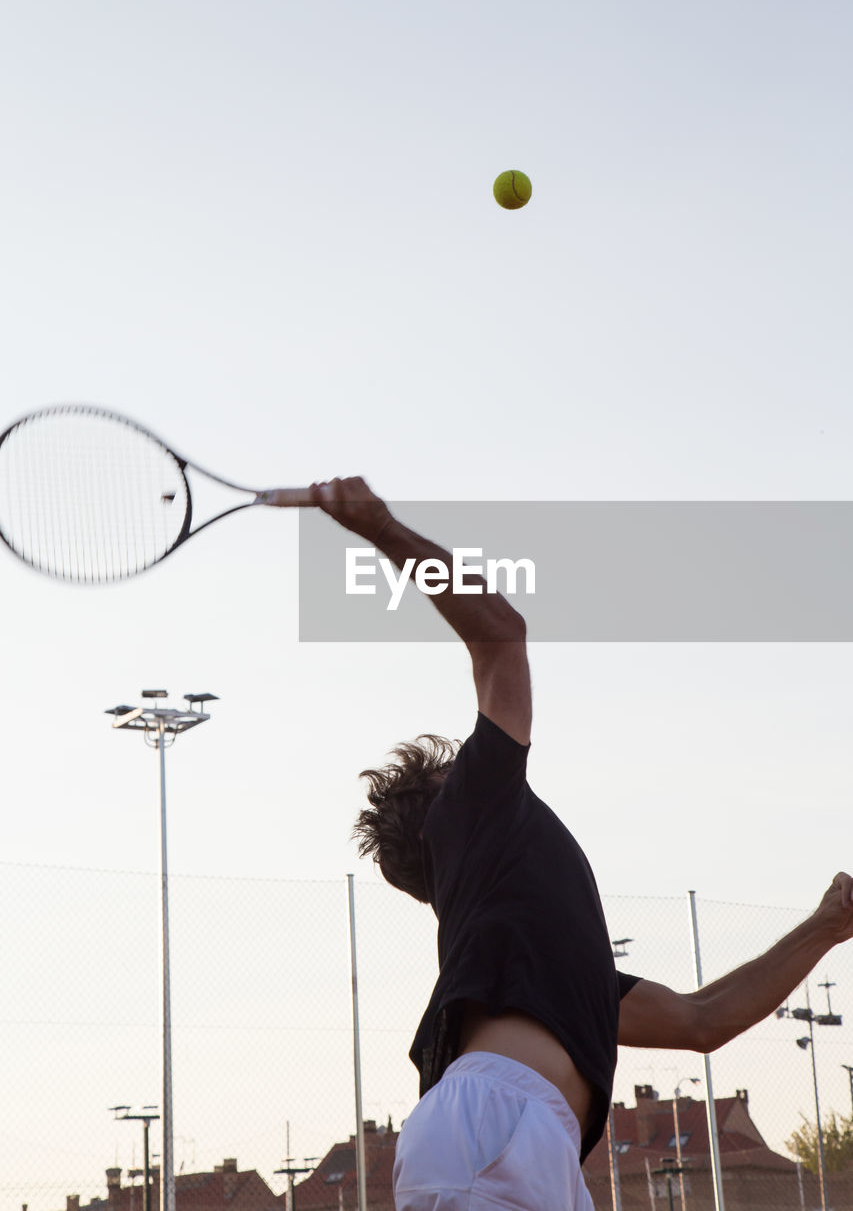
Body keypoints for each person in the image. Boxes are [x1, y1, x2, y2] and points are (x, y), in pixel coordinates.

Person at [312, 477, 853, 1211]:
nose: (475, 761)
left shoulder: (538, 967)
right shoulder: (474, 813)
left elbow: (702, 1022)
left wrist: (826, 926)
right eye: (456, 767)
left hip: (530, 1144)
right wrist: (381, 528)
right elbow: (499, 633)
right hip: (493, 1129)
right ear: (444, 807)